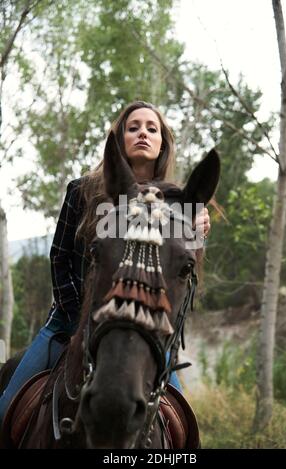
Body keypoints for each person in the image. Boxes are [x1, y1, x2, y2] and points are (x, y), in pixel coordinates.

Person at [0, 100, 211, 424]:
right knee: (6, 409)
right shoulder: (82, 191)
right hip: (69, 323)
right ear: (119, 138)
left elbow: (182, 270)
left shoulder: (178, 204)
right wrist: (78, 322)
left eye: (152, 128)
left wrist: (199, 234)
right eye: (133, 127)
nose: (143, 132)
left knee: (184, 425)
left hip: (147, 329)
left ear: (163, 143)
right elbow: (60, 257)